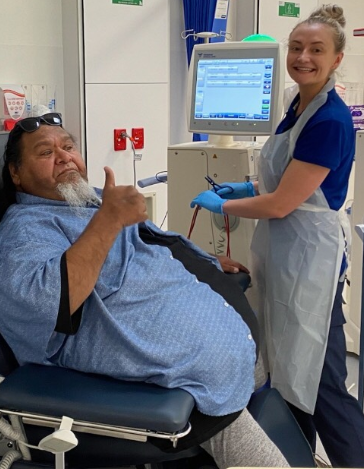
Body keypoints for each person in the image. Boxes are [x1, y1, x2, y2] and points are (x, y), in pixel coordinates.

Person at [0, 113, 289, 469]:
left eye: (69, 146)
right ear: (16, 173)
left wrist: (206, 260)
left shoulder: (85, 201)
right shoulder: (26, 229)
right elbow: (45, 302)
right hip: (196, 384)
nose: (64, 156)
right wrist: (108, 220)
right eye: (45, 152)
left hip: (228, 355)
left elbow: (152, 239)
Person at [191, 4, 364, 467]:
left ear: (337, 57)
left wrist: (223, 204)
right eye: (296, 47)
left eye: (316, 49)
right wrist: (246, 187)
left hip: (311, 258)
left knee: (319, 376)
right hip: (285, 250)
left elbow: (285, 203)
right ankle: (296, 457)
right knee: (287, 371)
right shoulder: (297, 103)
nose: (303, 56)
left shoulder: (329, 119)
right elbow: (285, 181)